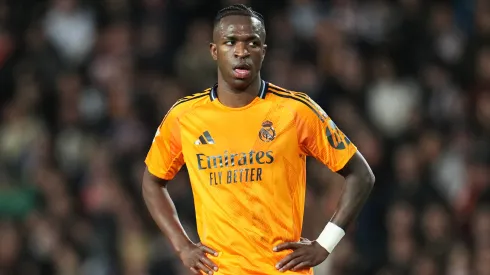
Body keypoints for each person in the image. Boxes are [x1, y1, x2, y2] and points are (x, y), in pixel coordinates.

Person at [142, 4, 375, 275]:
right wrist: (182, 246)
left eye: (252, 43)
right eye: (230, 42)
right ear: (214, 51)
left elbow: (361, 175)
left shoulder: (295, 110)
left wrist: (325, 244)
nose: (241, 51)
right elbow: (152, 181)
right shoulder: (185, 116)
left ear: (263, 52)